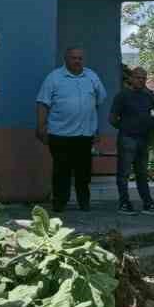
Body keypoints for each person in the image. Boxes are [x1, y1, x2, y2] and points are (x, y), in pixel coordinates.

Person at [36, 46, 107, 213]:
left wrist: (96, 128)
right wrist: (40, 126)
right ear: (66, 59)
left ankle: (84, 202)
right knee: (61, 171)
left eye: (80, 58)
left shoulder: (92, 76)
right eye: (73, 58)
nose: (77, 61)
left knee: (84, 172)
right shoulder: (54, 78)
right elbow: (42, 103)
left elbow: (98, 102)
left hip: (84, 134)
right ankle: (60, 203)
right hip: (60, 134)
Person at [110, 66, 154, 213]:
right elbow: (112, 119)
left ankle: (148, 204)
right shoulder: (122, 96)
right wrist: (126, 128)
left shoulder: (147, 96)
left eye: (143, 78)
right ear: (131, 78)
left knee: (142, 174)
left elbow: (150, 114)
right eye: (138, 78)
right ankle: (124, 203)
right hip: (127, 139)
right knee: (124, 173)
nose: (141, 81)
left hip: (143, 140)